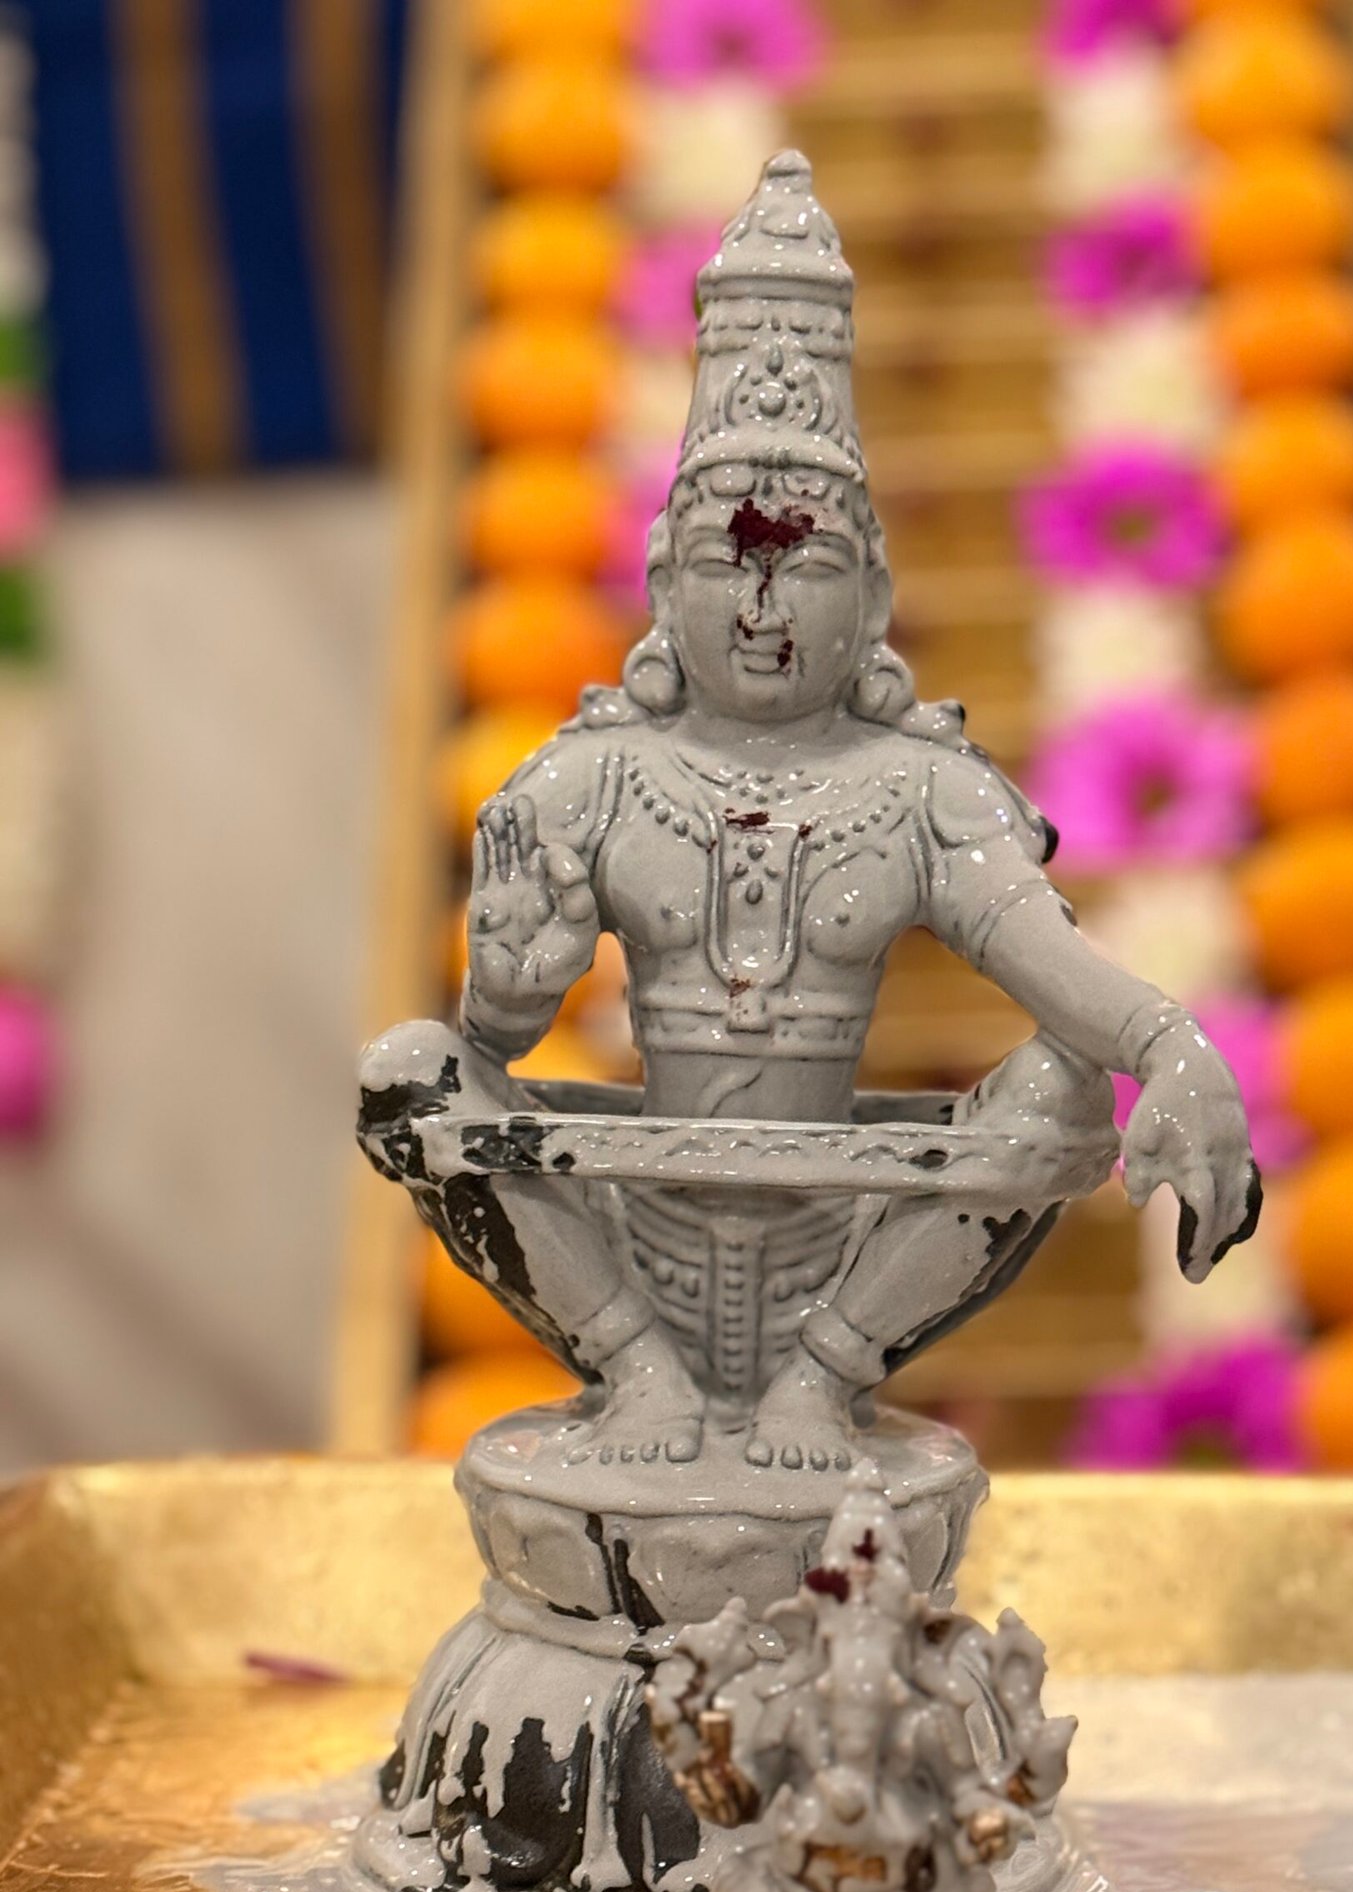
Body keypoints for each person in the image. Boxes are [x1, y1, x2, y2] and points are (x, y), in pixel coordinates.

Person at [358, 152, 1258, 1475]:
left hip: (862, 1251)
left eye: (809, 562)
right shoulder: (595, 775)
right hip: (626, 1242)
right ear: (663, 582)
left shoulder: (921, 789)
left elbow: (1058, 977)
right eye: (727, 562)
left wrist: (1174, 1047)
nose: (764, 605)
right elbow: (491, 1050)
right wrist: (505, 990)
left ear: (876, 592)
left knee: (1065, 1085)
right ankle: (639, 1374)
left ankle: (820, 1383)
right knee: (408, 1068)